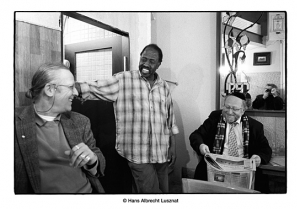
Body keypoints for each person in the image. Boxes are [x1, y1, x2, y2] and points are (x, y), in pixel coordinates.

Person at [75, 44, 179, 193]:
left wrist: (173, 147)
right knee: (152, 196)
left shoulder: (164, 87)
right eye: (143, 59)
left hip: (161, 152)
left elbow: (170, 120)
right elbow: (96, 87)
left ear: (158, 64)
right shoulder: (123, 79)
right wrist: (73, 87)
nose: (146, 64)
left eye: (151, 61)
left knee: (163, 191)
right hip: (138, 154)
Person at [15, 63, 106, 194]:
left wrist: (92, 160)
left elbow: (98, 161)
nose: (76, 92)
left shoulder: (81, 121)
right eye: (71, 87)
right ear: (50, 90)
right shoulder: (15, 123)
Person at [189, 92, 272, 192]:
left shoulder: (255, 126)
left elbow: (265, 149)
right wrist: (201, 145)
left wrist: (259, 157)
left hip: (243, 171)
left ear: (243, 110)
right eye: (227, 107)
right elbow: (195, 136)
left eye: (235, 109)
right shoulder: (214, 118)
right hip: (215, 168)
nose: (229, 111)